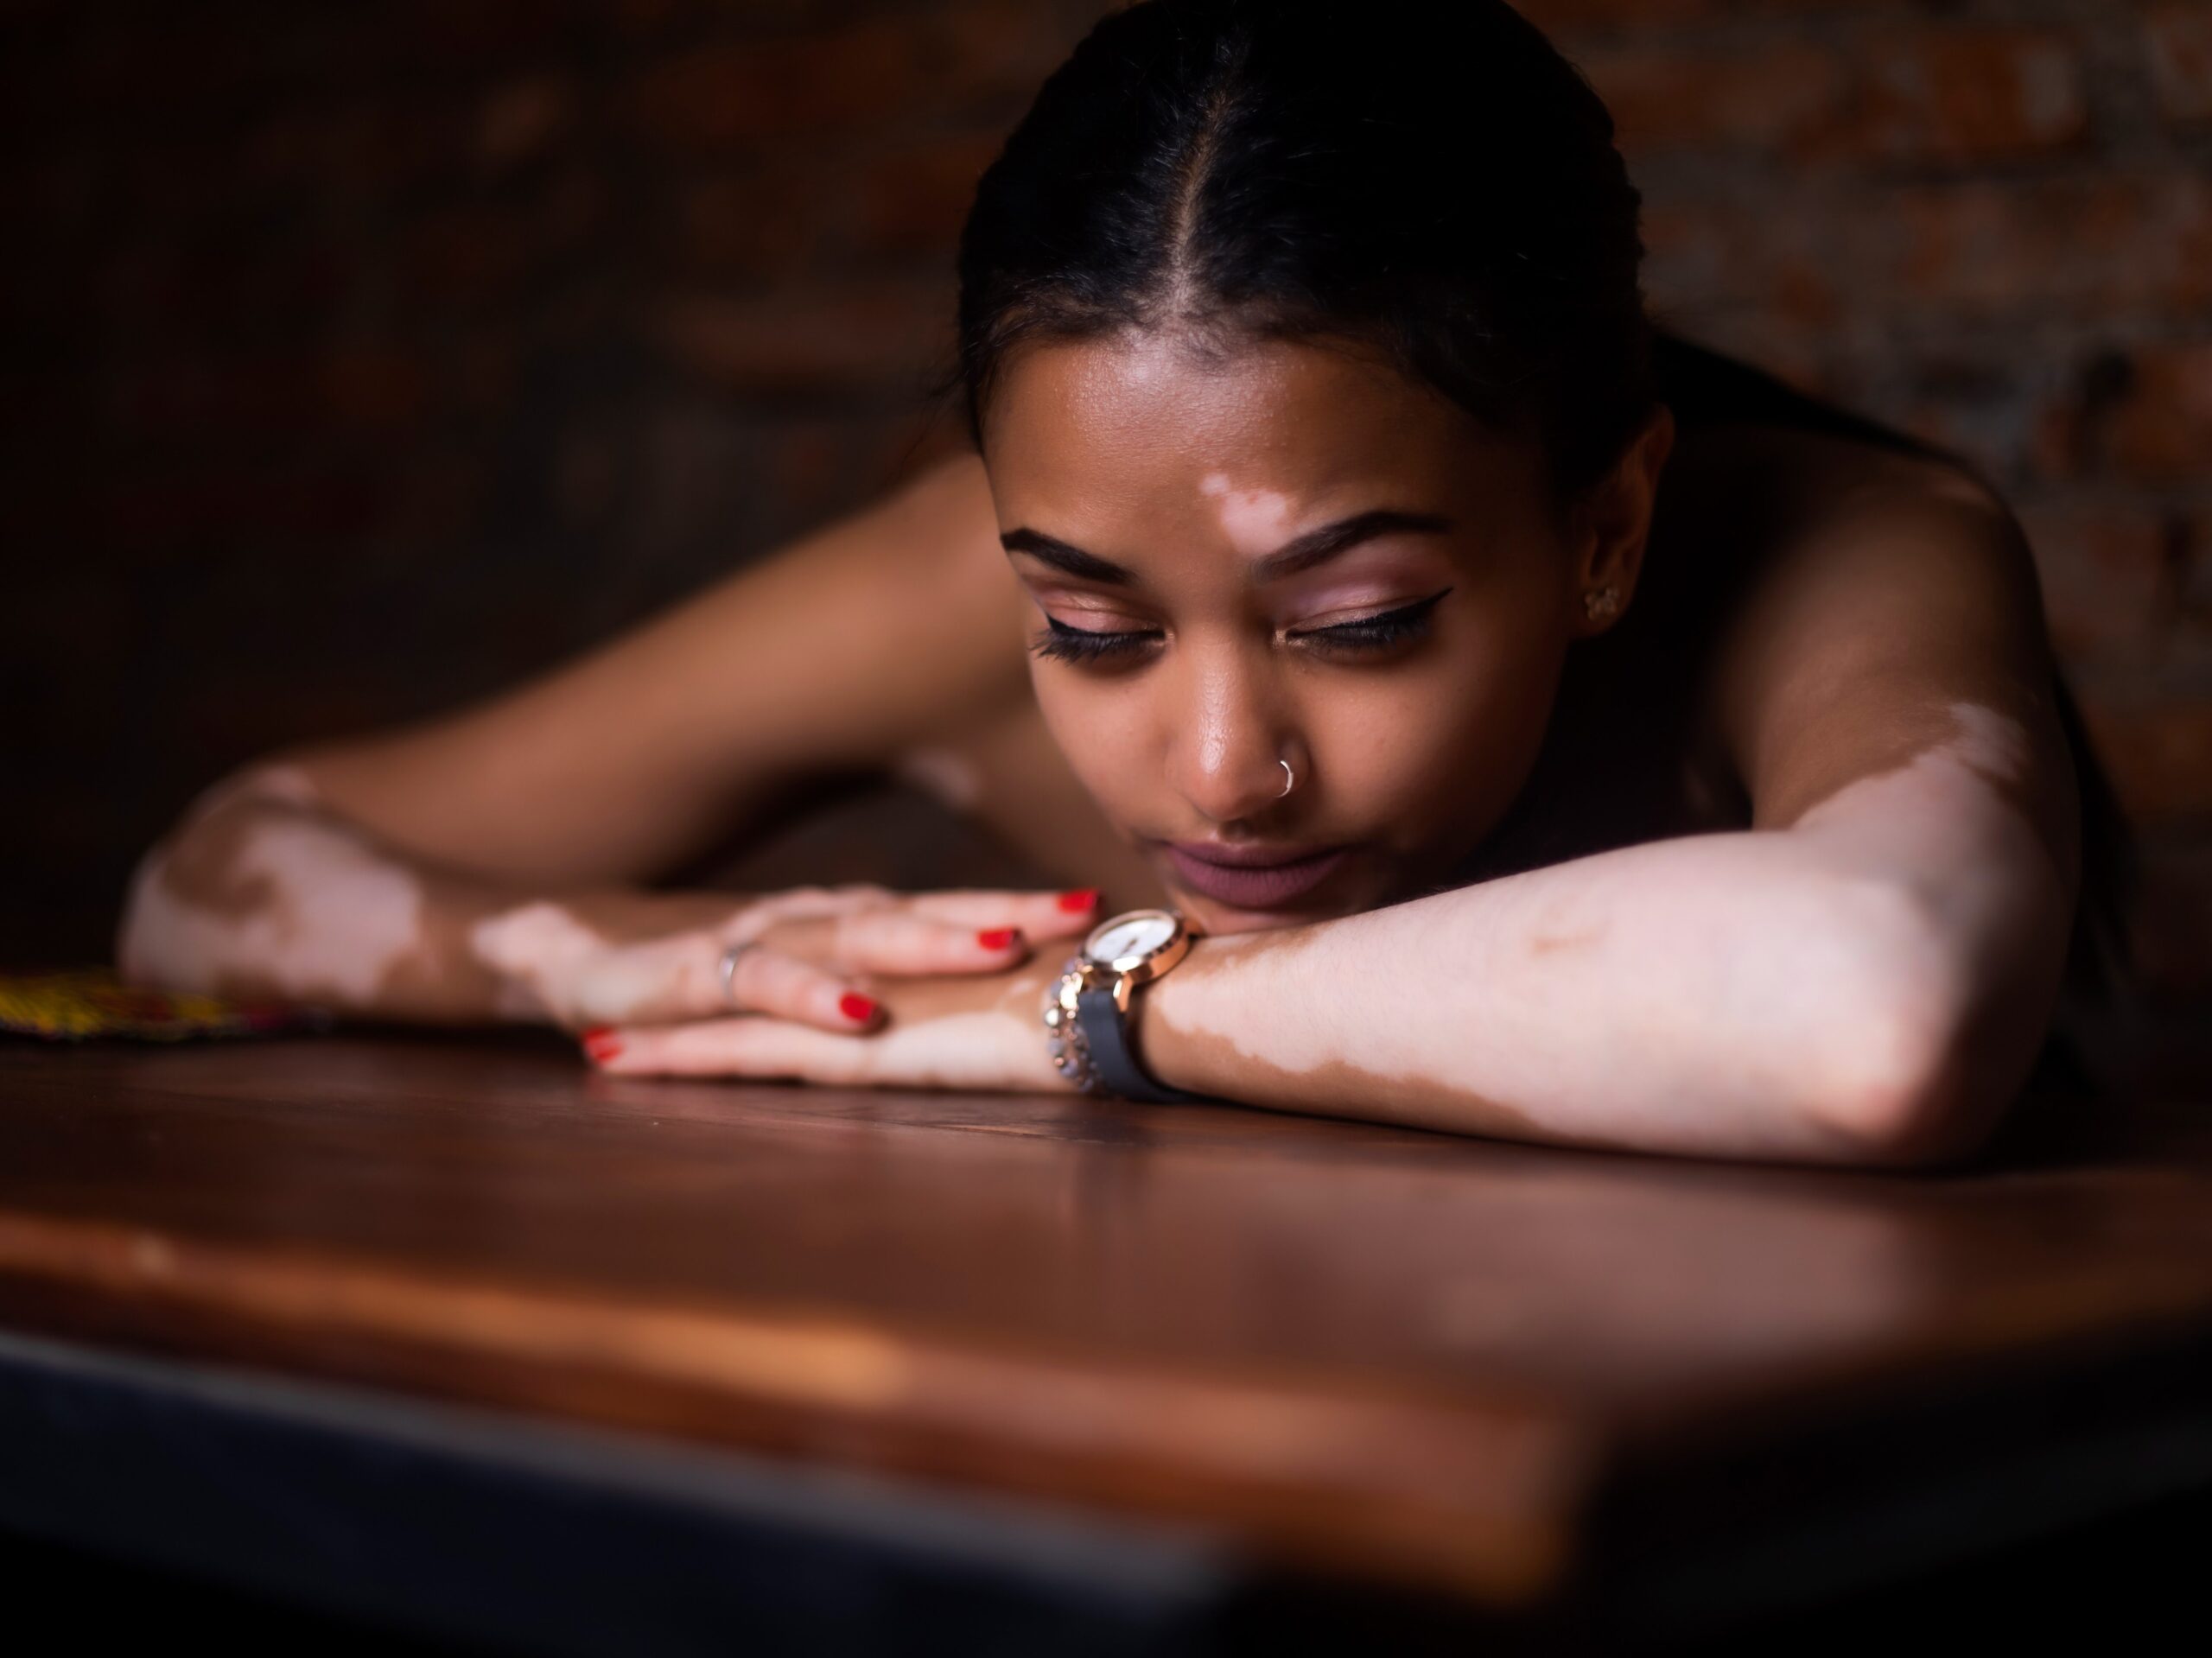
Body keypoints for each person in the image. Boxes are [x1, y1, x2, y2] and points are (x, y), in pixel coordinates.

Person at [115, 0, 2133, 1167]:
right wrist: (586, 958)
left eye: (1358, 624)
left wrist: (1074, 1007)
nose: (1216, 770)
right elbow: (216, 874)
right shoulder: (937, 584)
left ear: (1599, 529)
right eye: (1086, 628)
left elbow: (1882, 1008)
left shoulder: (1841, 551)